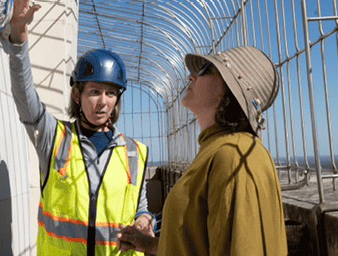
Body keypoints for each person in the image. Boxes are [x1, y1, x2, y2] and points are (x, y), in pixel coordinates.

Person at [7, 0, 156, 255]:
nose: (103, 102)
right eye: (94, 92)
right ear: (77, 95)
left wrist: (145, 220)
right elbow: (25, 97)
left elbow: (142, 207)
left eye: (111, 93)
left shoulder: (134, 153)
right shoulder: (55, 138)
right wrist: (19, 38)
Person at [116, 45, 288, 255]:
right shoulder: (216, 150)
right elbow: (198, 243)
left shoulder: (234, 155)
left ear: (229, 88)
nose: (190, 76)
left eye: (206, 68)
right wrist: (149, 244)